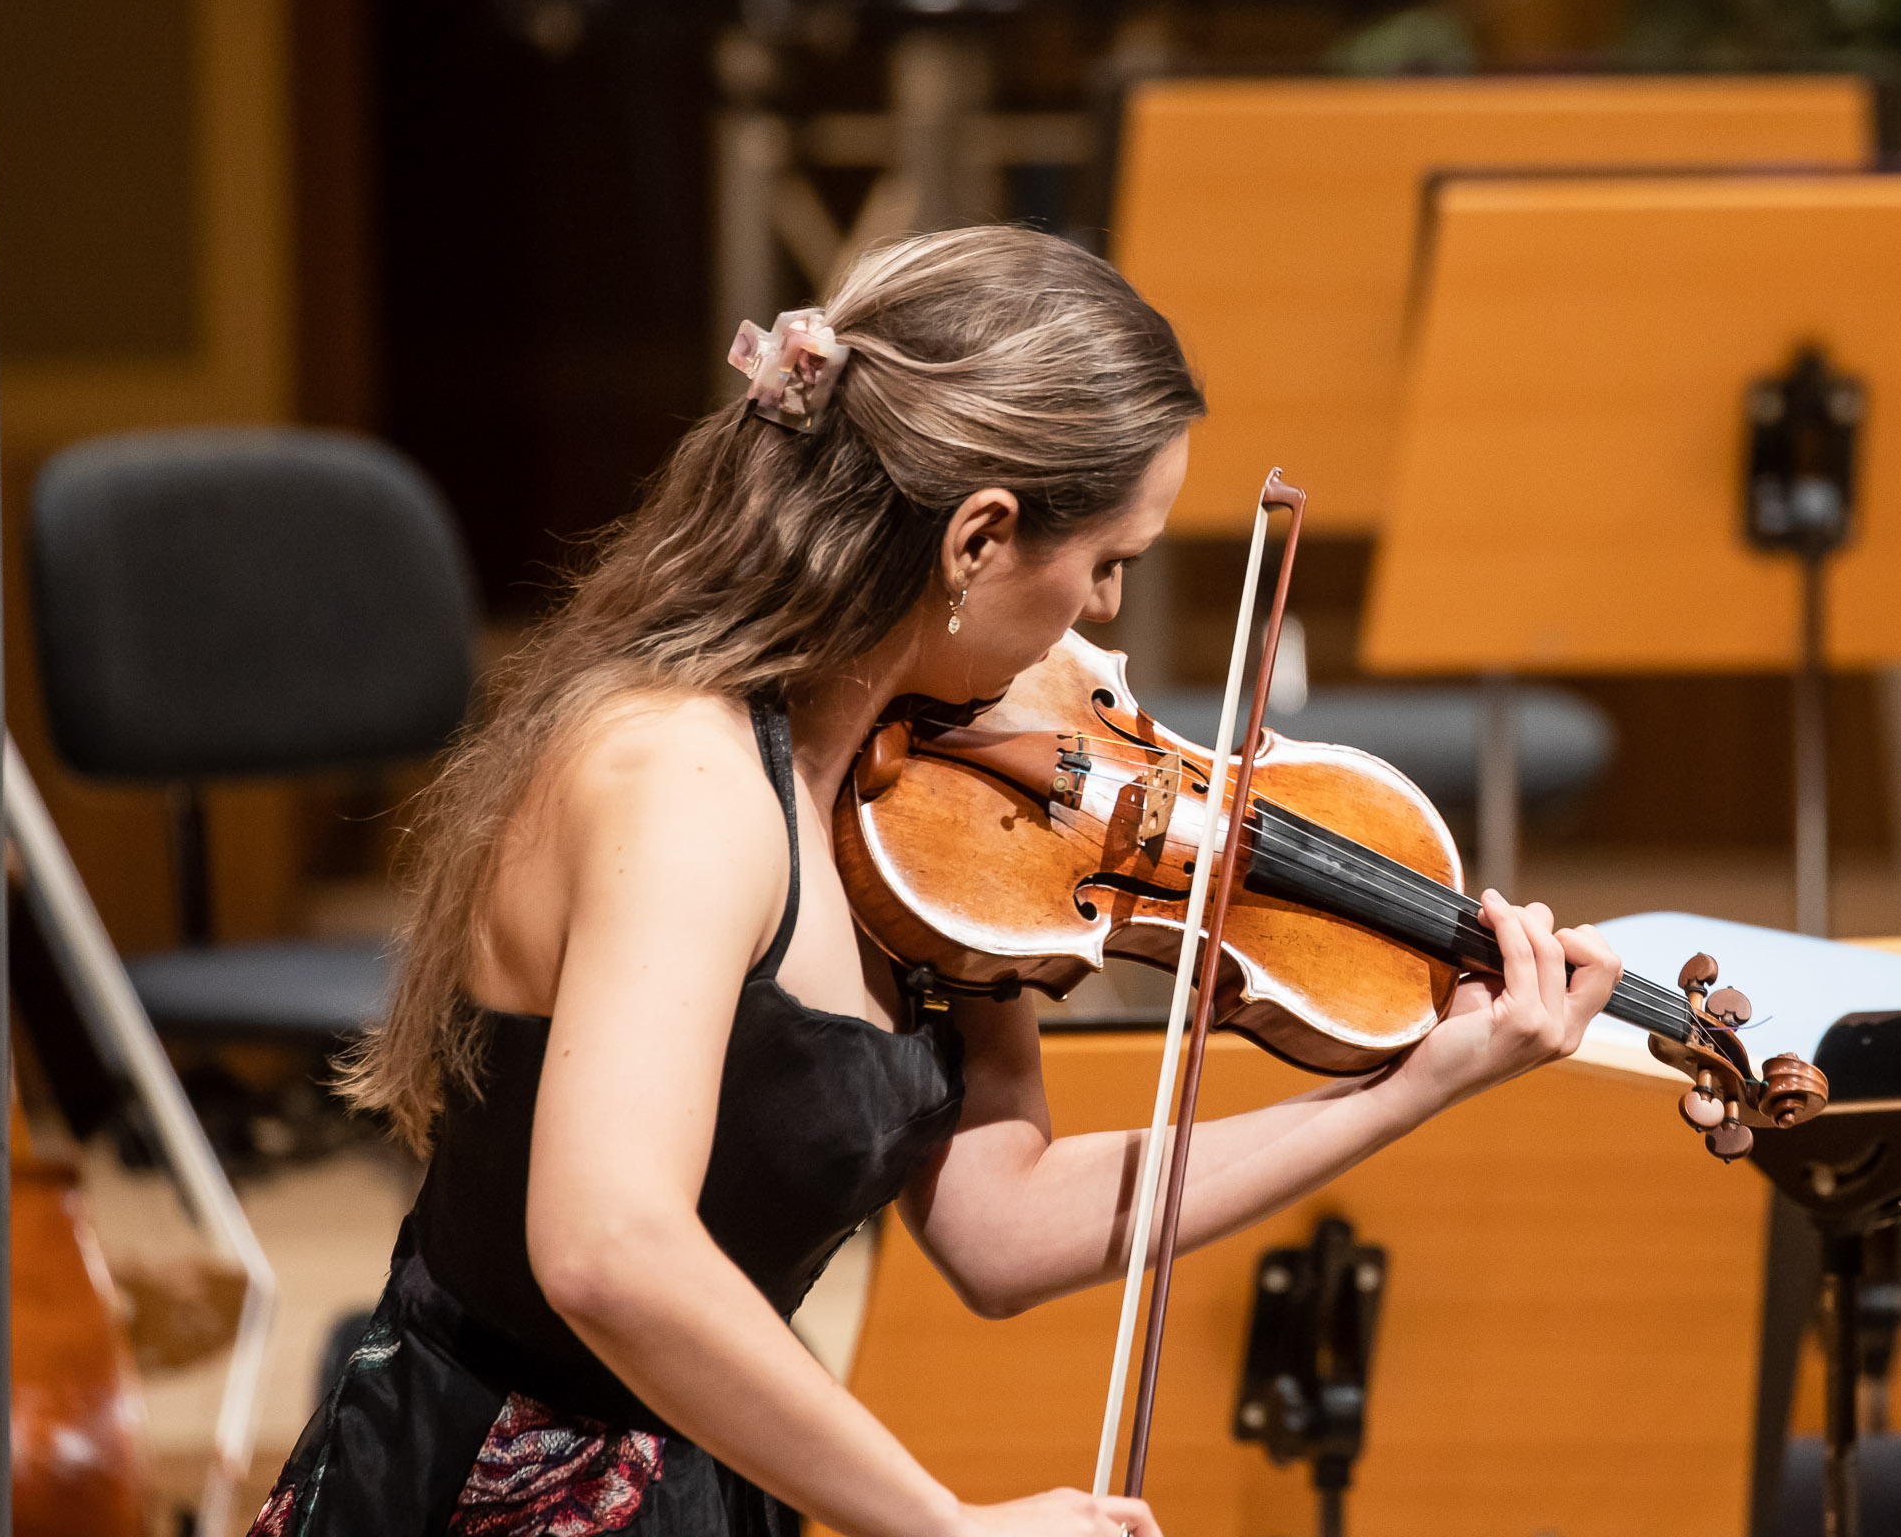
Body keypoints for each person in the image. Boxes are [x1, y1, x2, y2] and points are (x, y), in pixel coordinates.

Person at [255, 226, 1622, 1537]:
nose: (1105, 618)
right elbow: (609, 1247)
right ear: (976, 541)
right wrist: (942, 1523)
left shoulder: (938, 832)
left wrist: (1411, 1086)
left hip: (713, 1463)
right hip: (486, 1487)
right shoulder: (680, 780)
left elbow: (1001, 1227)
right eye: (1105, 565)